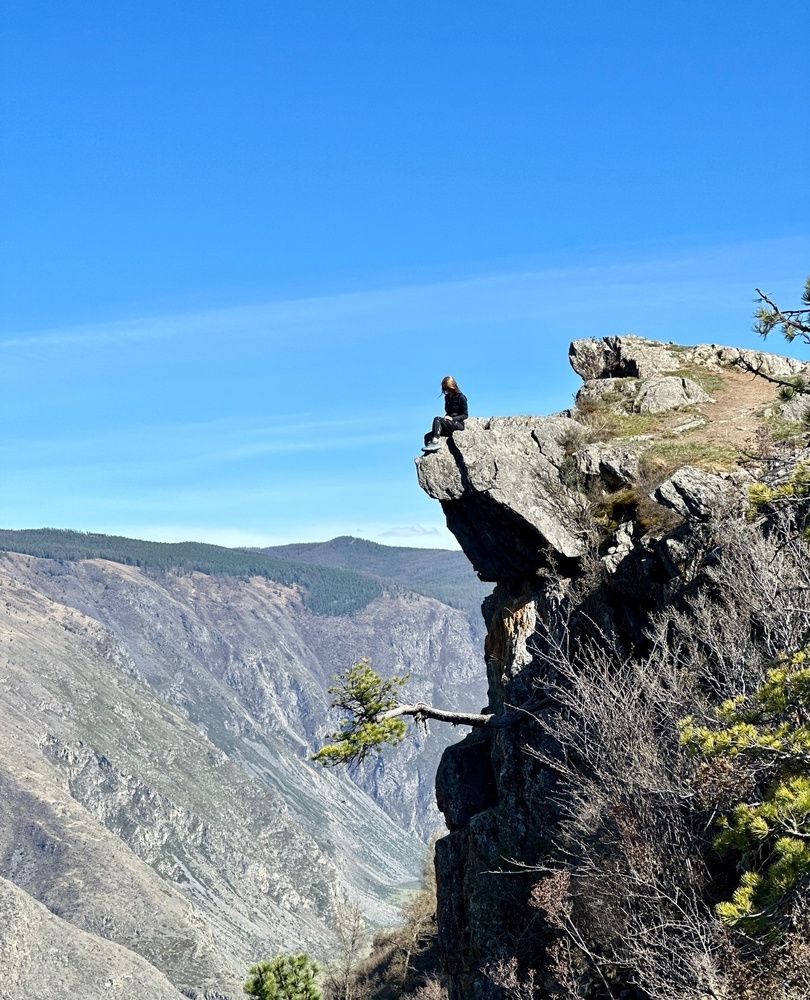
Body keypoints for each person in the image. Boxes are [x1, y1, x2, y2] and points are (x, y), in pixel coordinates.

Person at [423, 376, 468, 452]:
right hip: (448, 424)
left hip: (457, 424)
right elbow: (448, 412)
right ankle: (431, 452)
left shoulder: (461, 397)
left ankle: (435, 442)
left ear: (452, 387)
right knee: (427, 436)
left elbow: (465, 415)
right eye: (444, 389)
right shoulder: (447, 398)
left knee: (437, 419)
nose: (446, 391)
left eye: (447, 389)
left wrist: (452, 418)